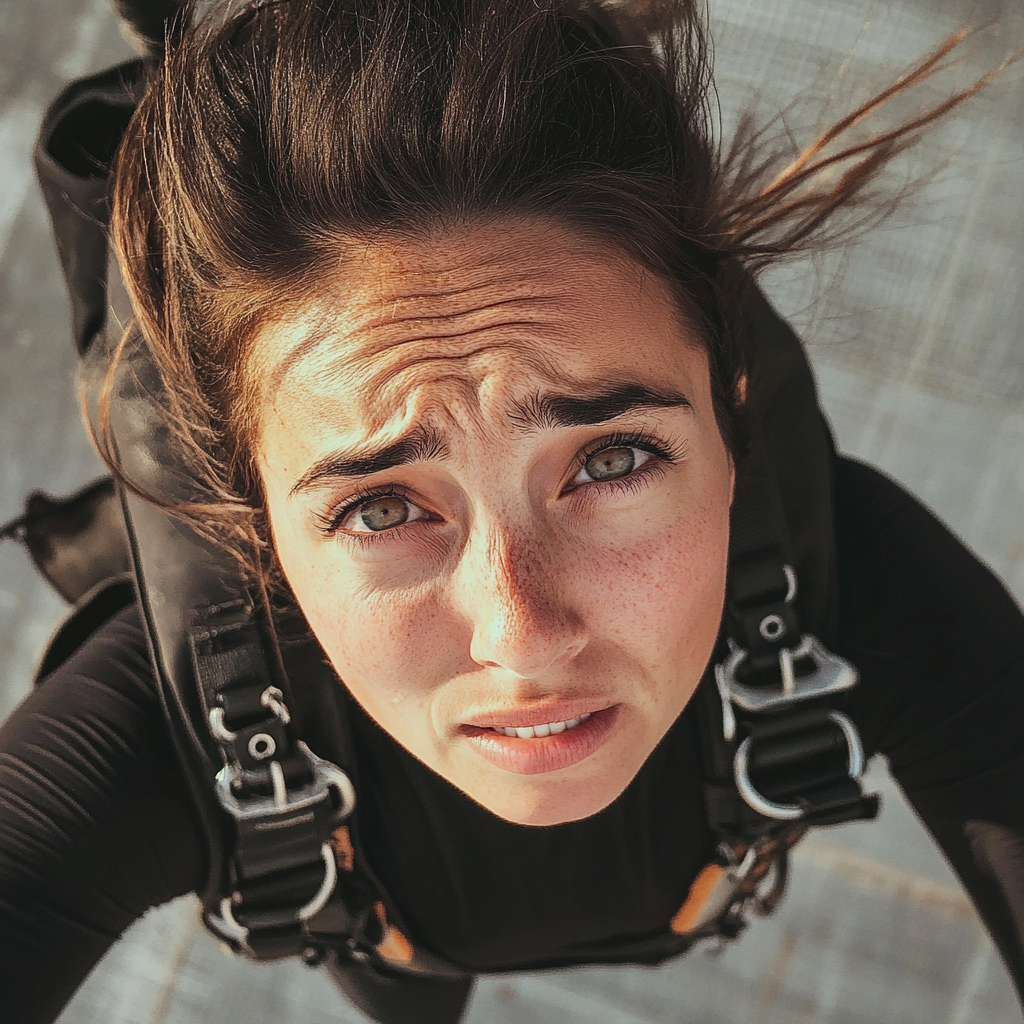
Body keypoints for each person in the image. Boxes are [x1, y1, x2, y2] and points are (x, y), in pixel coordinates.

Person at [2, 1, 1023, 1022]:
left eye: (612, 459)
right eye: (381, 506)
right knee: (398, 963)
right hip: (387, 917)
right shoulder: (171, 710)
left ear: (730, 422)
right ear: (255, 521)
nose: (523, 638)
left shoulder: (856, 577)